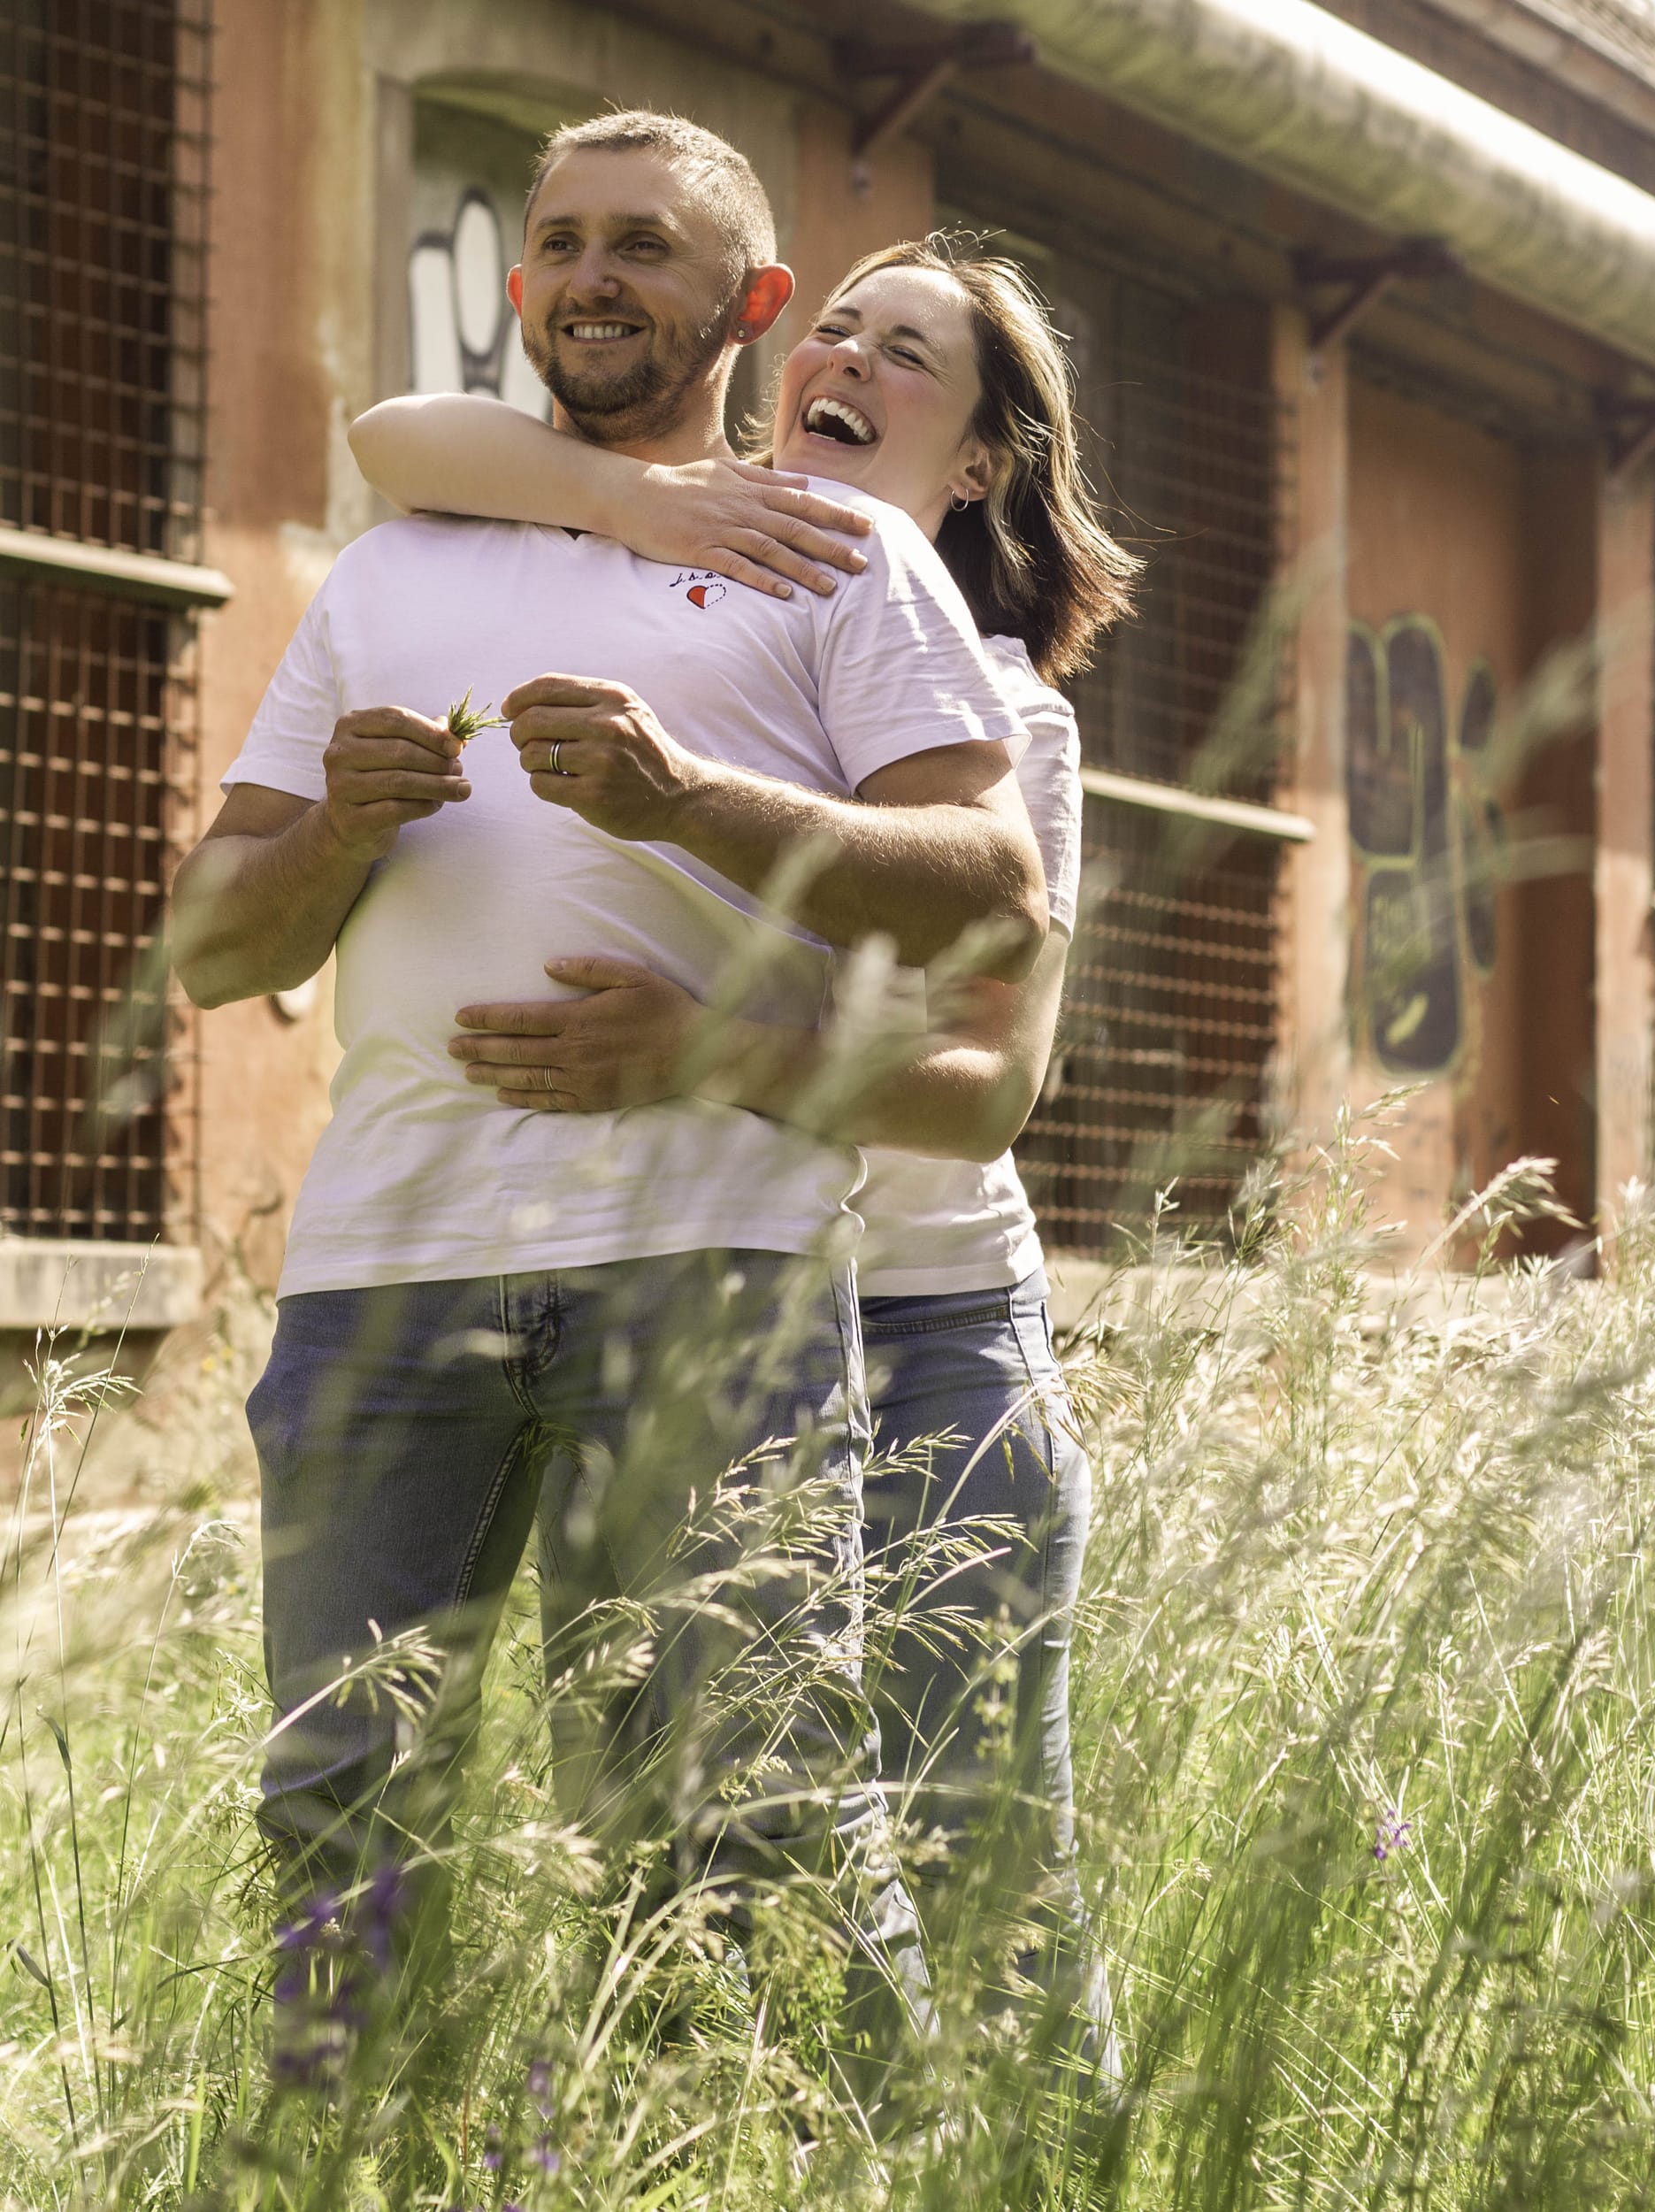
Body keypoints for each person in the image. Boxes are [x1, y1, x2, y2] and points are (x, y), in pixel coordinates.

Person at [169, 115, 1054, 2118]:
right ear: (518, 285)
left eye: (644, 249)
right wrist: (339, 828)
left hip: (709, 1264)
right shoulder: (392, 567)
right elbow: (216, 950)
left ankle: (724, 2160)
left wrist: (686, 807)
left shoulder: (842, 553)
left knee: (720, 1827)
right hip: (387, 1278)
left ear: (746, 306)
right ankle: (347, 2163)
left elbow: (988, 876)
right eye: (558, 239)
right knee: (339, 1802)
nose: (587, 276)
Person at [349, 234, 1140, 2094]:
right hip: (683, 1331)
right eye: (835, 327)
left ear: (977, 468)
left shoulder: (1007, 718)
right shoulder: (694, 616)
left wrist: (693, 1053)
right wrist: (629, 488)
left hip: (918, 1348)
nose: (846, 355)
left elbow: (981, 1086)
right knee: (692, 1848)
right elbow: (394, 432)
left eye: (909, 356)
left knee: (975, 1869)